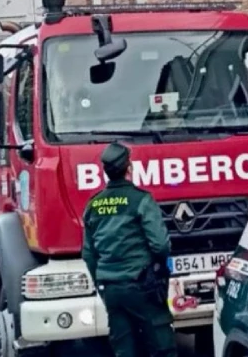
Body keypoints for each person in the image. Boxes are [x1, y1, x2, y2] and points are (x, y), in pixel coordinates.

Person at [81, 142, 177, 357]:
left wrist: (103, 281)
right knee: (161, 345)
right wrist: (160, 270)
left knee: (124, 349)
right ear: (129, 168)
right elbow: (160, 245)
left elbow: (88, 253)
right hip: (142, 285)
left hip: (111, 289)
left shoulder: (93, 205)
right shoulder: (141, 200)